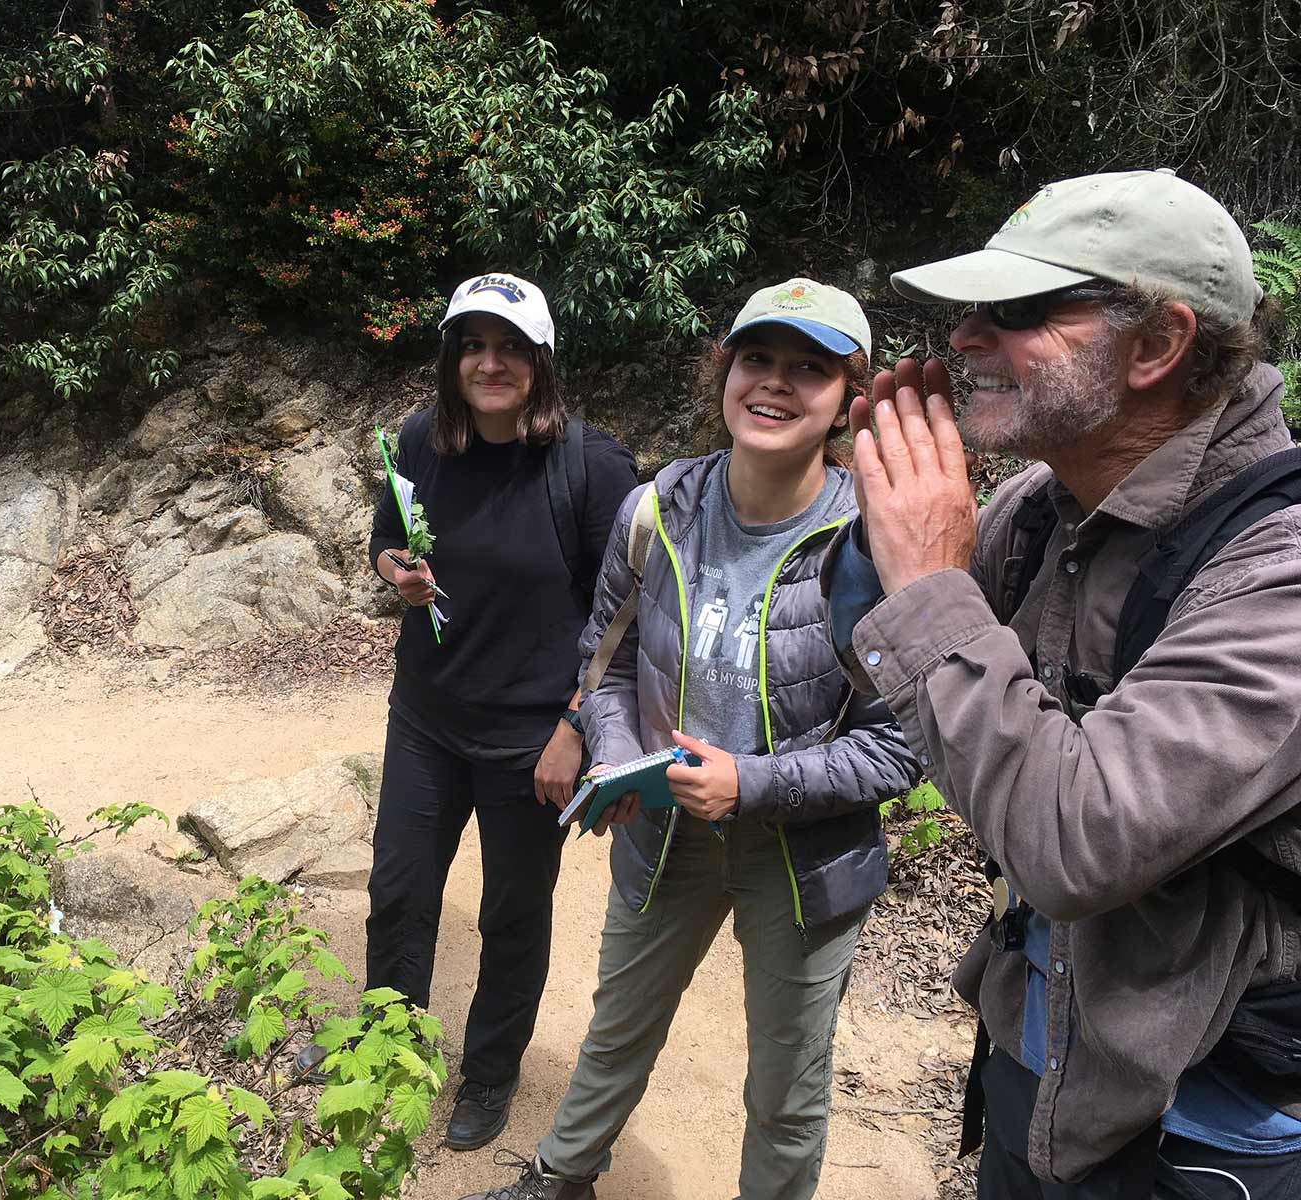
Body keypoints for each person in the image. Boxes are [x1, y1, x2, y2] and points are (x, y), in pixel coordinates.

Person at [824, 170, 1301, 1196]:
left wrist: (932, 580)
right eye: (970, 311)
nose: (964, 338)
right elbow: (886, 680)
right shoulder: (1047, 503)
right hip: (1035, 1065)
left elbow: (1075, 844)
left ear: (1158, 343)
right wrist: (879, 544)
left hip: (1198, 1125)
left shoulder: (1278, 574)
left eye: (1018, 311)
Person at [464, 279, 919, 1200]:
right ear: (724, 369)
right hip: (664, 829)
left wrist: (752, 784)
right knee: (618, 1024)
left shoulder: (874, 541)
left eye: (810, 368)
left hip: (799, 857)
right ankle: (562, 1177)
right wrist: (619, 752)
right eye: (758, 358)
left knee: (787, 1085)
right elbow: (605, 660)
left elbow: (901, 745)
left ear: (848, 398)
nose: (777, 384)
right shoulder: (660, 506)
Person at [366, 272, 638, 1151]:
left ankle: (489, 1072)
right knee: (399, 893)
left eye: (511, 346)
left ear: (541, 361)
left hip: (532, 734)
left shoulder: (591, 467)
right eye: (474, 345)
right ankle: (385, 1052)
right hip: (426, 716)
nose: (491, 363)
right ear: (451, 359)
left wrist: (575, 728)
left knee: (512, 914)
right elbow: (385, 538)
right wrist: (396, 575)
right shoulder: (420, 441)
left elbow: (625, 617)